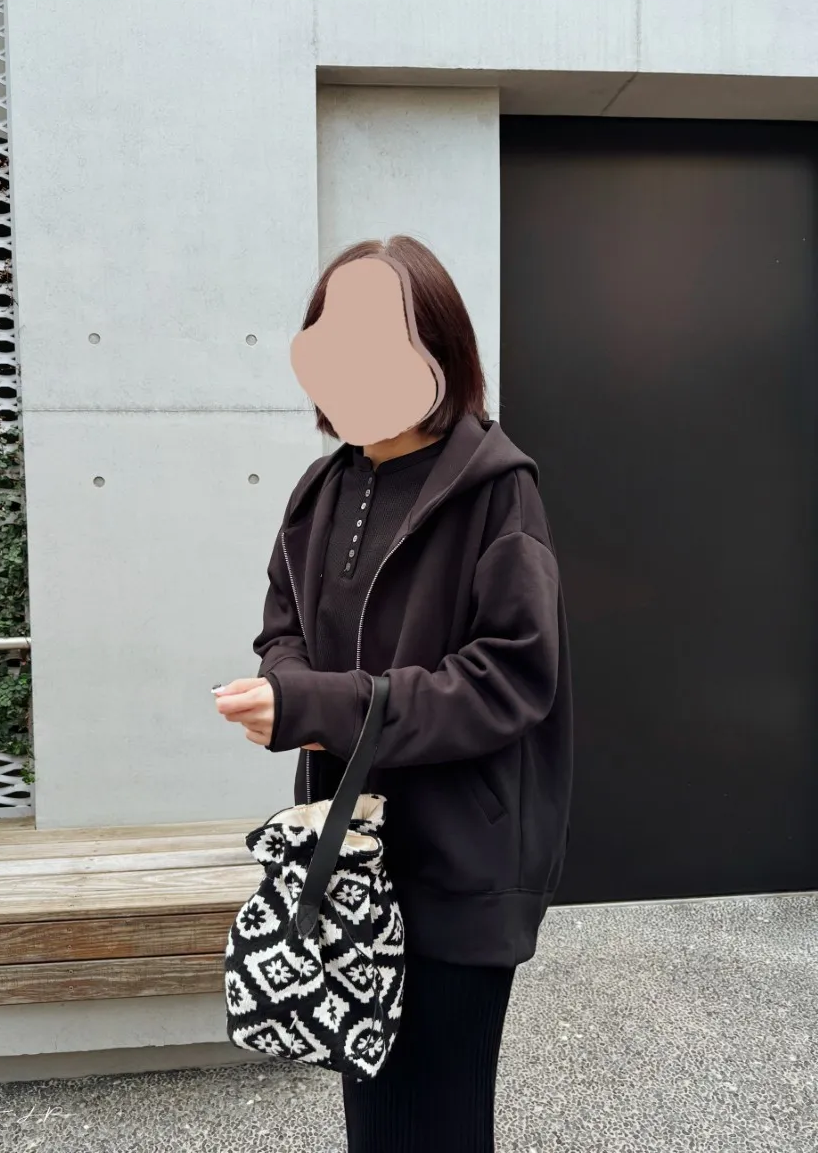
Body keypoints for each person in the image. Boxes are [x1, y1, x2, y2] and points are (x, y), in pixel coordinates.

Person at [215, 234, 573, 1153]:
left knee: (441, 1119)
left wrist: (321, 709)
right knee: (374, 1114)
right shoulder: (321, 490)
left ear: (439, 351)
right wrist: (284, 691)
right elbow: (282, 626)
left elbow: (510, 676)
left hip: (460, 860)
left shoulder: (498, 492)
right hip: (348, 857)